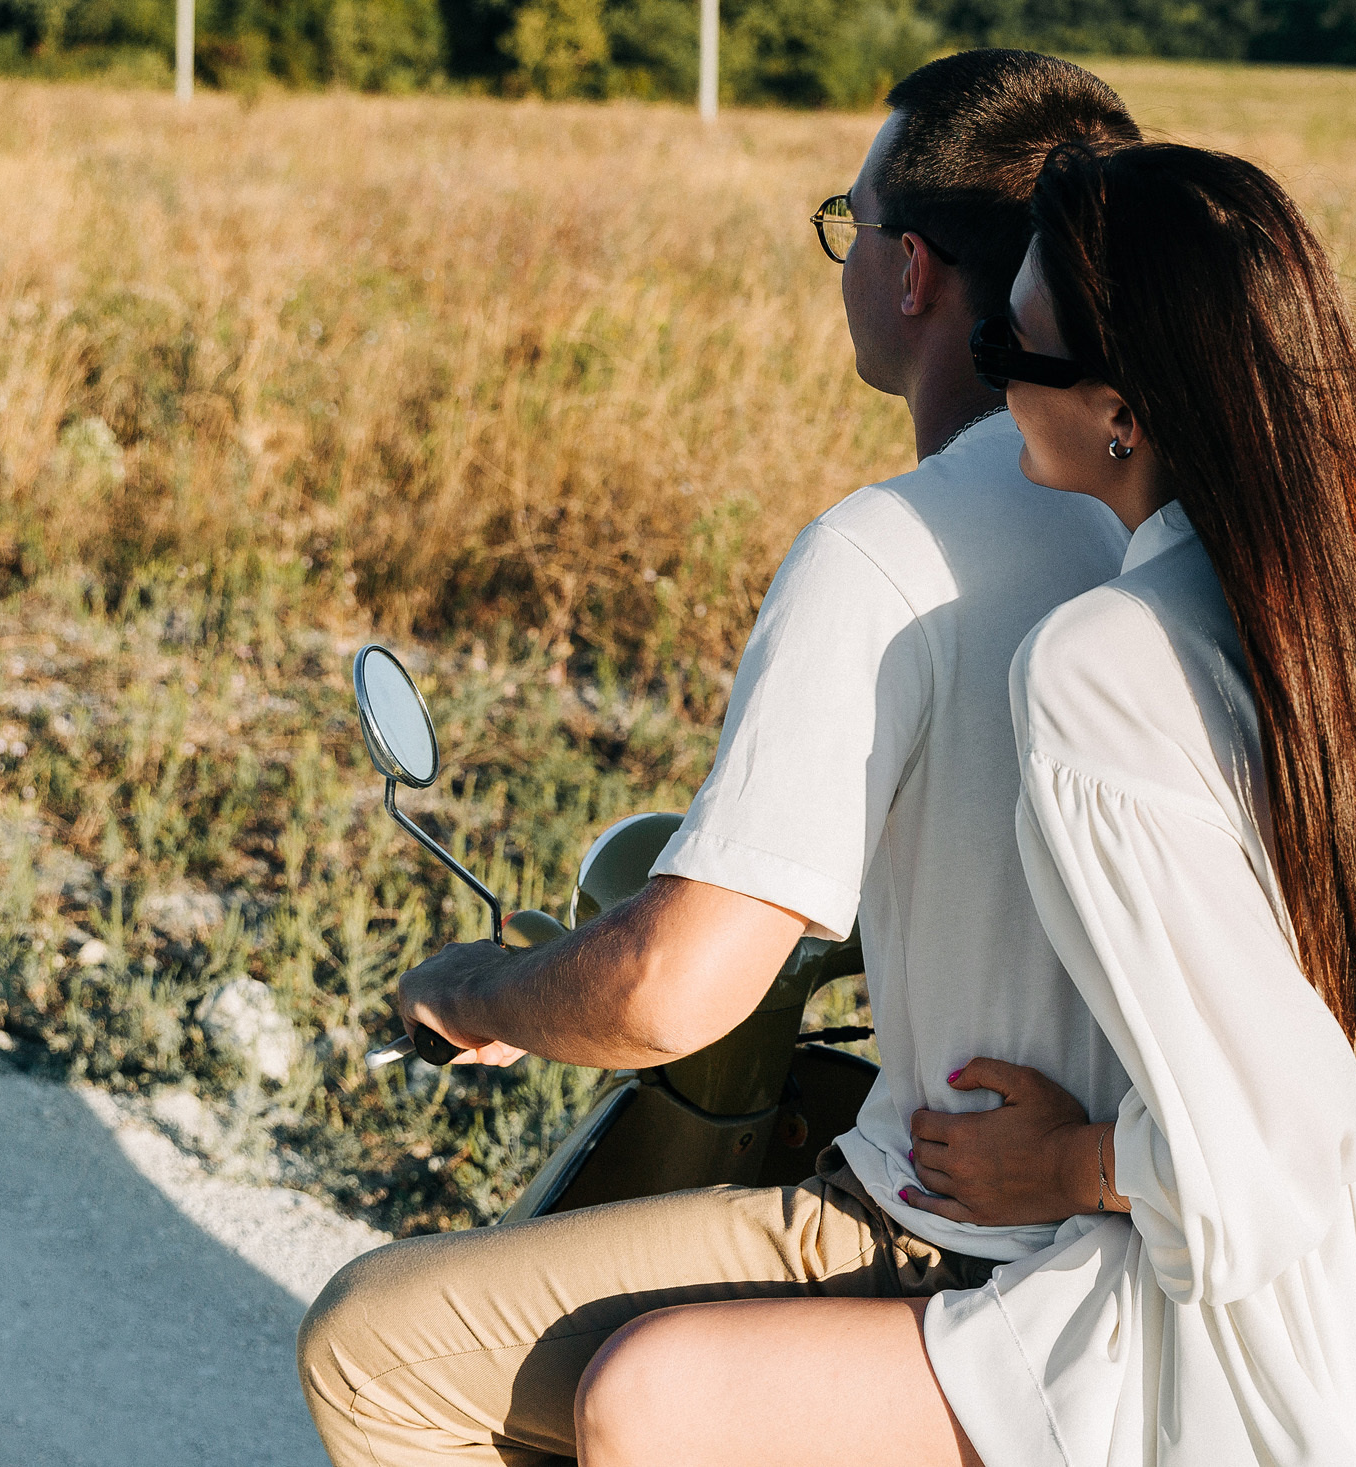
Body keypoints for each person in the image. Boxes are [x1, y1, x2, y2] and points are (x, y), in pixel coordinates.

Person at [756, 140, 1356, 1464]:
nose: (991, 381)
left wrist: (1068, 1164)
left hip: (1314, 1327)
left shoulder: (1102, 662)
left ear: (1123, 408)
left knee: (643, 1393)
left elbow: (1264, 1166)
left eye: (1014, 350)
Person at [297, 52, 1143, 1467]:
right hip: (1150, 1230)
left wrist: (480, 990)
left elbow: (669, 989)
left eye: (849, 222)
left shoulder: (888, 551)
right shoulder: (1167, 520)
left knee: (370, 1348)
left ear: (912, 271)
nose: (845, 254)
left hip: (953, 1238)